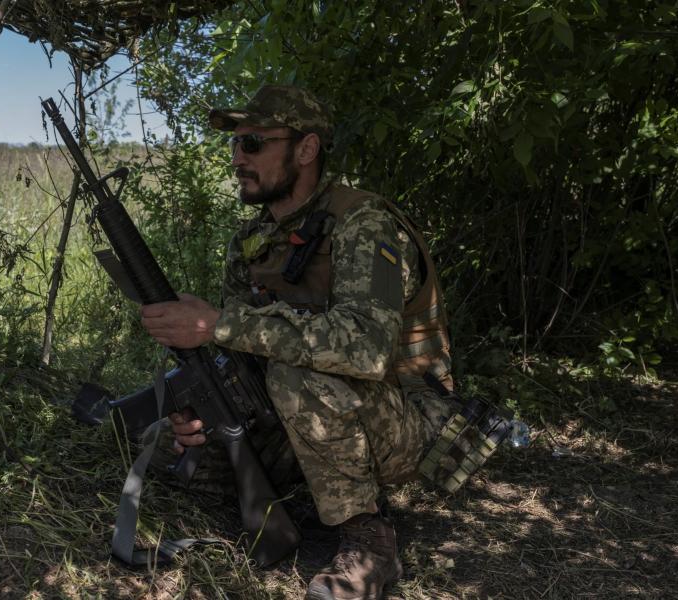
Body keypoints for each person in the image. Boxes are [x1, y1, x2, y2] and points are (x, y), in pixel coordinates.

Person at [139, 85, 456, 600]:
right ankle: (294, 485)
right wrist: (203, 405)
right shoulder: (253, 239)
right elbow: (241, 355)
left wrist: (218, 324)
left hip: (409, 419)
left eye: (255, 143)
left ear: (305, 150)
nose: (239, 157)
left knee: (297, 376)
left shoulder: (362, 224)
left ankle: (369, 541)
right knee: (160, 445)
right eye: (236, 145)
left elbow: (366, 350)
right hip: (310, 413)